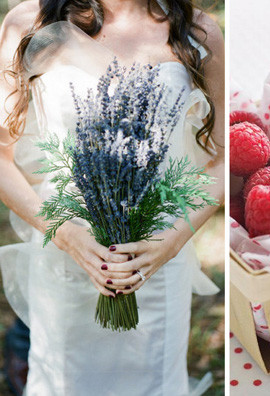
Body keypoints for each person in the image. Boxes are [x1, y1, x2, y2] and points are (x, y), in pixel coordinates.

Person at [0, 0, 224, 394]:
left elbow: (224, 161)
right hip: (65, 252)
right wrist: (68, 237)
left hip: (155, 255)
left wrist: (170, 241)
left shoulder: (197, 31)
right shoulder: (28, 22)